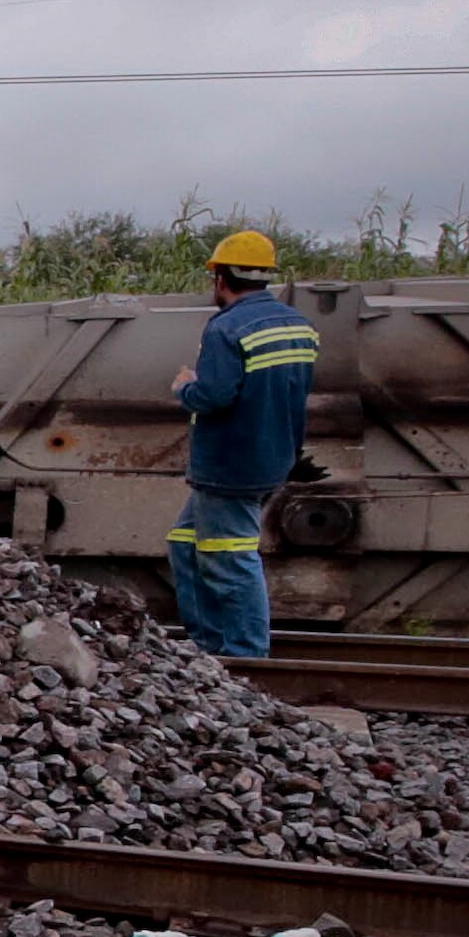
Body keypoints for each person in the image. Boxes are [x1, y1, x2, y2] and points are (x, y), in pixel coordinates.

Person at [166, 229, 318, 658]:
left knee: (230, 559)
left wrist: (185, 387)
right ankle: (208, 645)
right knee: (185, 544)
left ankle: (246, 656)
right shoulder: (298, 325)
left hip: (230, 465)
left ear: (221, 278)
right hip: (273, 457)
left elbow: (214, 396)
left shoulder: (227, 328)